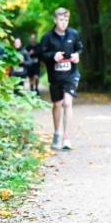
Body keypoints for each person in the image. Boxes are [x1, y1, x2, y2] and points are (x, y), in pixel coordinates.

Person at [39, 8, 83, 150]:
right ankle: (57, 132)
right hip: (55, 76)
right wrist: (53, 56)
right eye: (60, 20)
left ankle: (66, 137)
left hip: (71, 74)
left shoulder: (74, 34)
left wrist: (77, 55)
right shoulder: (47, 37)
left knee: (67, 103)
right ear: (55, 20)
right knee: (57, 104)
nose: (63, 23)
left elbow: (79, 48)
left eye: (66, 20)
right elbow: (41, 54)